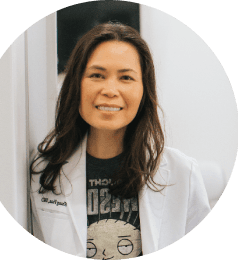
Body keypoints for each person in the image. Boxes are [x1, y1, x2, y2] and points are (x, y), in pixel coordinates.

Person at [30, 22, 210, 259]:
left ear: (144, 90)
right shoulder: (42, 171)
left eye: (126, 77)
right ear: (76, 84)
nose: (110, 90)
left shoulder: (182, 172)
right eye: (97, 75)